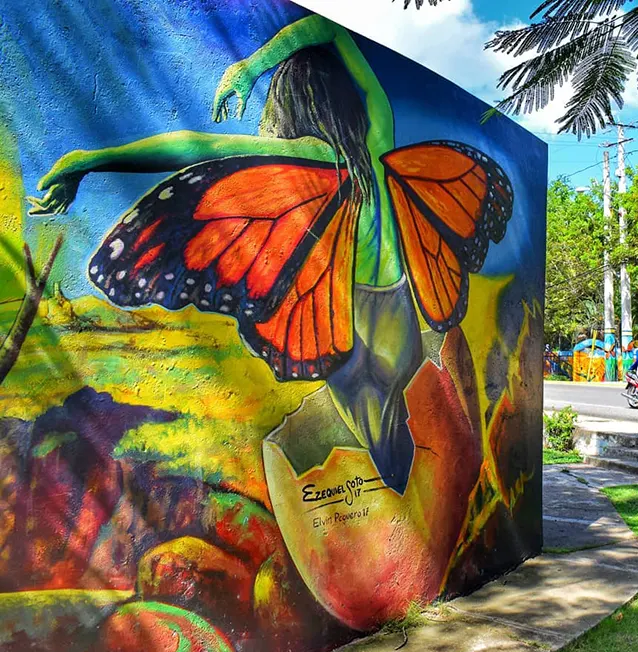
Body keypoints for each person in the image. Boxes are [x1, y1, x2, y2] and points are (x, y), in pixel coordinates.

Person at [28, 14, 422, 494]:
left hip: (337, 331)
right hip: (397, 318)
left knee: (381, 449)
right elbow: (334, 31)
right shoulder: (379, 142)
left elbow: (196, 148)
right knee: (403, 434)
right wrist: (254, 66)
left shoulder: (306, 157)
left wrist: (89, 160)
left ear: (291, 106)